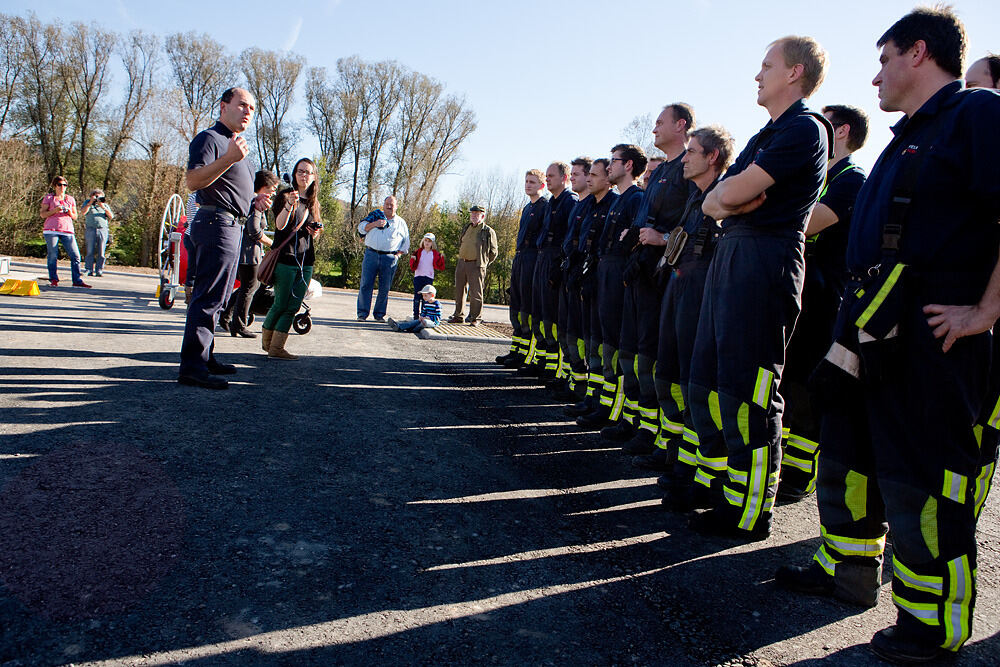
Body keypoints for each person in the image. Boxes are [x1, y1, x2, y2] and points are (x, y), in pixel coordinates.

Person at [775, 9, 1000, 662]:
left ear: (919, 53)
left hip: (938, 343)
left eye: (883, 59)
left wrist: (985, 310)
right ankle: (846, 572)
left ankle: (933, 628)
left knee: (927, 484)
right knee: (852, 460)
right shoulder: (907, 141)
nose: (875, 75)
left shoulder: (977, 114)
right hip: (873, 333)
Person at [688, 36, 831, 540]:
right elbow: (715, 200)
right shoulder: (763, 135)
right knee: (712, 380)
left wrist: (735, 197)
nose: (757, 74)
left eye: (766, 65)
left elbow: (734, 192)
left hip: (766, 261)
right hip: (734, 255)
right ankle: (724, 490)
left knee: (749, 391)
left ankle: (750, 512)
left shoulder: (806, 129)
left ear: (795, 73)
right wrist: (732, 199)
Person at [637, 127, 734, 505]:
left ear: (712, 157)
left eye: (692, 151)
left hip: (704, 299)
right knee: (671, 379)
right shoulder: (693, 199)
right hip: (678, 290)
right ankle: (680, 459)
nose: (686, 158)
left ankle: (704, 476)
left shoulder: (723, 196)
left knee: (699, 388)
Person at [777, 104, 868, 500]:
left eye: (825, 121)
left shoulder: (852, 178)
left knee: (808, 387)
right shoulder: (819, 176)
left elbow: (808, 223)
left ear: (842, 130)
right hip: (799, 291)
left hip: (826, 296)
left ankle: (799, 474)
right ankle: (783, 463)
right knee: (790, 378)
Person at [612, 104, 695, 454]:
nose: (654, 129)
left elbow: (696, 215)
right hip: (642, 271)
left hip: (667, 273)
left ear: (681, 124)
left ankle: (664, 438)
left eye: (660, 123)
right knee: (636, 351)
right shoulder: (661, 174)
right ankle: (643, 426)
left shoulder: (688, 167)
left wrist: (663, 239)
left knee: (656, 357)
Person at [178, 87, 267, 389]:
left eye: (252, 109)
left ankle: (205, 357)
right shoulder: (210, 140)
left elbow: (230, 188)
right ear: (223, 106)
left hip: (233, 226)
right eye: (242, 105)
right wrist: (229, 158)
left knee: (219, 298)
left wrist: (253, 201)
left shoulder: (235, 146)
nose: (247, 112)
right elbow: (193, 181)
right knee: (208, 297)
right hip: (215, 223)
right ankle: (192, 366)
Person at [576, 144, 647, 429]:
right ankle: (601, 402)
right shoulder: (619, 199)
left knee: (616, 347)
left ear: (628, 165)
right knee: (603, 343)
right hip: (604, 270)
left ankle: (614, 411)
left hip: (619, 274)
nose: (608, 168)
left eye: (613, 161)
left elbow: (631, 241)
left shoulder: (635, 198)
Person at [565, 159, 618, 418]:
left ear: (608, 179)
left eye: (594, 175)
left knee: (603, 346)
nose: (588, 180)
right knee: (590, 343)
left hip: (602, 280)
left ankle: (604, 404)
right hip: (584, 278)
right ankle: (592, 396)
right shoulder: (588, 205)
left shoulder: (614, 203)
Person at [518, 162, 578, 379]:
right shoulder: (552, 202)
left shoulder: (569, 201)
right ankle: (543, 361)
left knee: (553, 317)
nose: (548, 178)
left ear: (565, 178)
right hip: (542, 258)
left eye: (552, 175)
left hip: (554, 258)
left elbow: (569, 235)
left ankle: (556, 368)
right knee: (540, 315)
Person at [262, 158, 322, 360]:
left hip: (306, 260)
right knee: (280, 303)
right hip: (285, 258)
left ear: (314, 177)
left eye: (308, 172)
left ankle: (274, 347)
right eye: (300, 171)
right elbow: (279, 226)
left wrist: (315, 232)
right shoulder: (284, 196)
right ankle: (271, 346)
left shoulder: (314, 202)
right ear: (295, 174)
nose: (304, 175)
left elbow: (316, 231)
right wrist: (289, 205)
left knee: (294, 305)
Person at [496, 170, 548, 367]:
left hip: (532, 260)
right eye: (526, 181)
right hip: (519, 259)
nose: (528, 185)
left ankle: (527, 354)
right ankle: (516, 350)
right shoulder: (527, 208)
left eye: (532, 182)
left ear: (541, 186)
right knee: (516, 309)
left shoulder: (544, 207)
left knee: (528, 310)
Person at [220, 170, 279, 338]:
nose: (274, 192)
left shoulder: (248, 200)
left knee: (248, 286)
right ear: (263, 187)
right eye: (272, 188)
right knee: (250, 288)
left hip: (244, 251)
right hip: (249, 254)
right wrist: (272, 244)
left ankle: (226, 316)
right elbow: (254, 230)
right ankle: (238, 324)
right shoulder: (257, 203)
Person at [555, 157, 594, 399]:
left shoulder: (592, 205)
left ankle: (581, 386)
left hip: (583, 274)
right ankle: (572, 379)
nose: (573, 179)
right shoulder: (578, 205)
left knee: (579, 335)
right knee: (567, 331)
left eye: (577, 174)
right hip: (568, 270)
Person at [357, 196, 409, 322]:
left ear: (396, 206)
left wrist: (397, 255)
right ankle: (362, 314)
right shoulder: (374, 216)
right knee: (365, 285)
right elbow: (360, 228)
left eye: (392, 204)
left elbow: (406, 243)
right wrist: (375, 224)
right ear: (383, 205)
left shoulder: (401, 223)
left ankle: (379, 315)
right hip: (371, 254)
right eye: (387, 204)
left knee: (384, 288)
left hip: (389, 258)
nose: (389, 206)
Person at [449, 204, 499, 326]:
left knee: (476, 292)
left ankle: (476, 318)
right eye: (472, 214)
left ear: (482, 216)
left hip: (477, 265)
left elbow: (494, 252)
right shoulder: (467, 227)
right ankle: (458, 315)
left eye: (477, 214)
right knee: (459, 290)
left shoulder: (488, 231)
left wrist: (483, 263)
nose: (474, 216)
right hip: (462, 262)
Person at [40, 176, 89, 288]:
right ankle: (53, 279)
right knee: (53, 255)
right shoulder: (49, 198)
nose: (62, 187)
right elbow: (43, 214)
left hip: (67, 230)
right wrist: (55, 210)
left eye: (65, 185)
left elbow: (75, 216)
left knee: (76, 255)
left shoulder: (70, 199)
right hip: (51, 230)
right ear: (55, 186)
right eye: (60, 185)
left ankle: (77, 280)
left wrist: (68, 212)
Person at [408, 232, 445, 319]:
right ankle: (416, 315)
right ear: (423, 241)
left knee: (426, 297)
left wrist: (442, 258)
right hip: (418, 276)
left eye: (429, 241)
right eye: (426, 240)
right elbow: (412, 265)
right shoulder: (418, 252)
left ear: (433, 243)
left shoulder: (435, 253)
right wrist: (412, 260)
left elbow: (440, 266)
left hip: (429, 277)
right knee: (417, 297)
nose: (427, 243)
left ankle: (424, 315)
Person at [81, 189, 114, 277]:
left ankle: (99, 269)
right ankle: (88, 269)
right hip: (90, 229)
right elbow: (83, 212)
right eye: (96, 196)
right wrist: (90, 203)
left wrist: (103, 207)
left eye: (100, 196)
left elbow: (111, 216)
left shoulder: (105, 205)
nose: (98, 198)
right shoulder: (88, 203)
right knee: (90, 250)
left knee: (101, 251)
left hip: (102, 229)